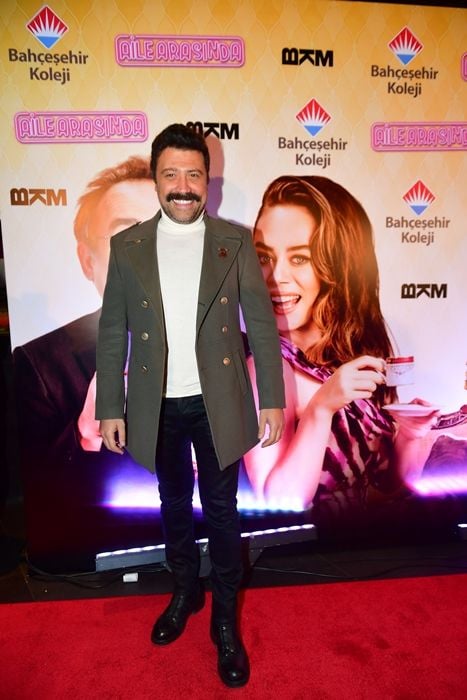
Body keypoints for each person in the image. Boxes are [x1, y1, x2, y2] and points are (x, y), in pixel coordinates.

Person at [96, 124, 285, 688]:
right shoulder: (128, 247)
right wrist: (111, 406)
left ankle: (225, 620)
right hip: (157, 404)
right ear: (155, 179)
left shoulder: (234, 241)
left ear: (208, 180)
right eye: (171, 174)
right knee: (173, 504)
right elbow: (112, 331)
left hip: (216, 402)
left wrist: (272, 399)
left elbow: (262, 327)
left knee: (222, 512)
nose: (183, 186)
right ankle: (185, 592)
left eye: (194, 174)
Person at [244, 175, 438, 516]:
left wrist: (411, 436)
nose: (275, 277)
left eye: (299, 258)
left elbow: (390, 488)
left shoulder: (356, 355)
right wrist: (321, 408)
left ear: (338, 266)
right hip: (312, 549)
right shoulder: (267, 368)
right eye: (264, 257)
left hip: (376, 543)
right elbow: (276, 503)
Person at [12, 157, 158, 566]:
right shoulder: (40, 365)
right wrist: (84, 435)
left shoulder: (232, 349)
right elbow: (40, 507)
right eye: (126, 234)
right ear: (87, 260)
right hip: (100, 565)